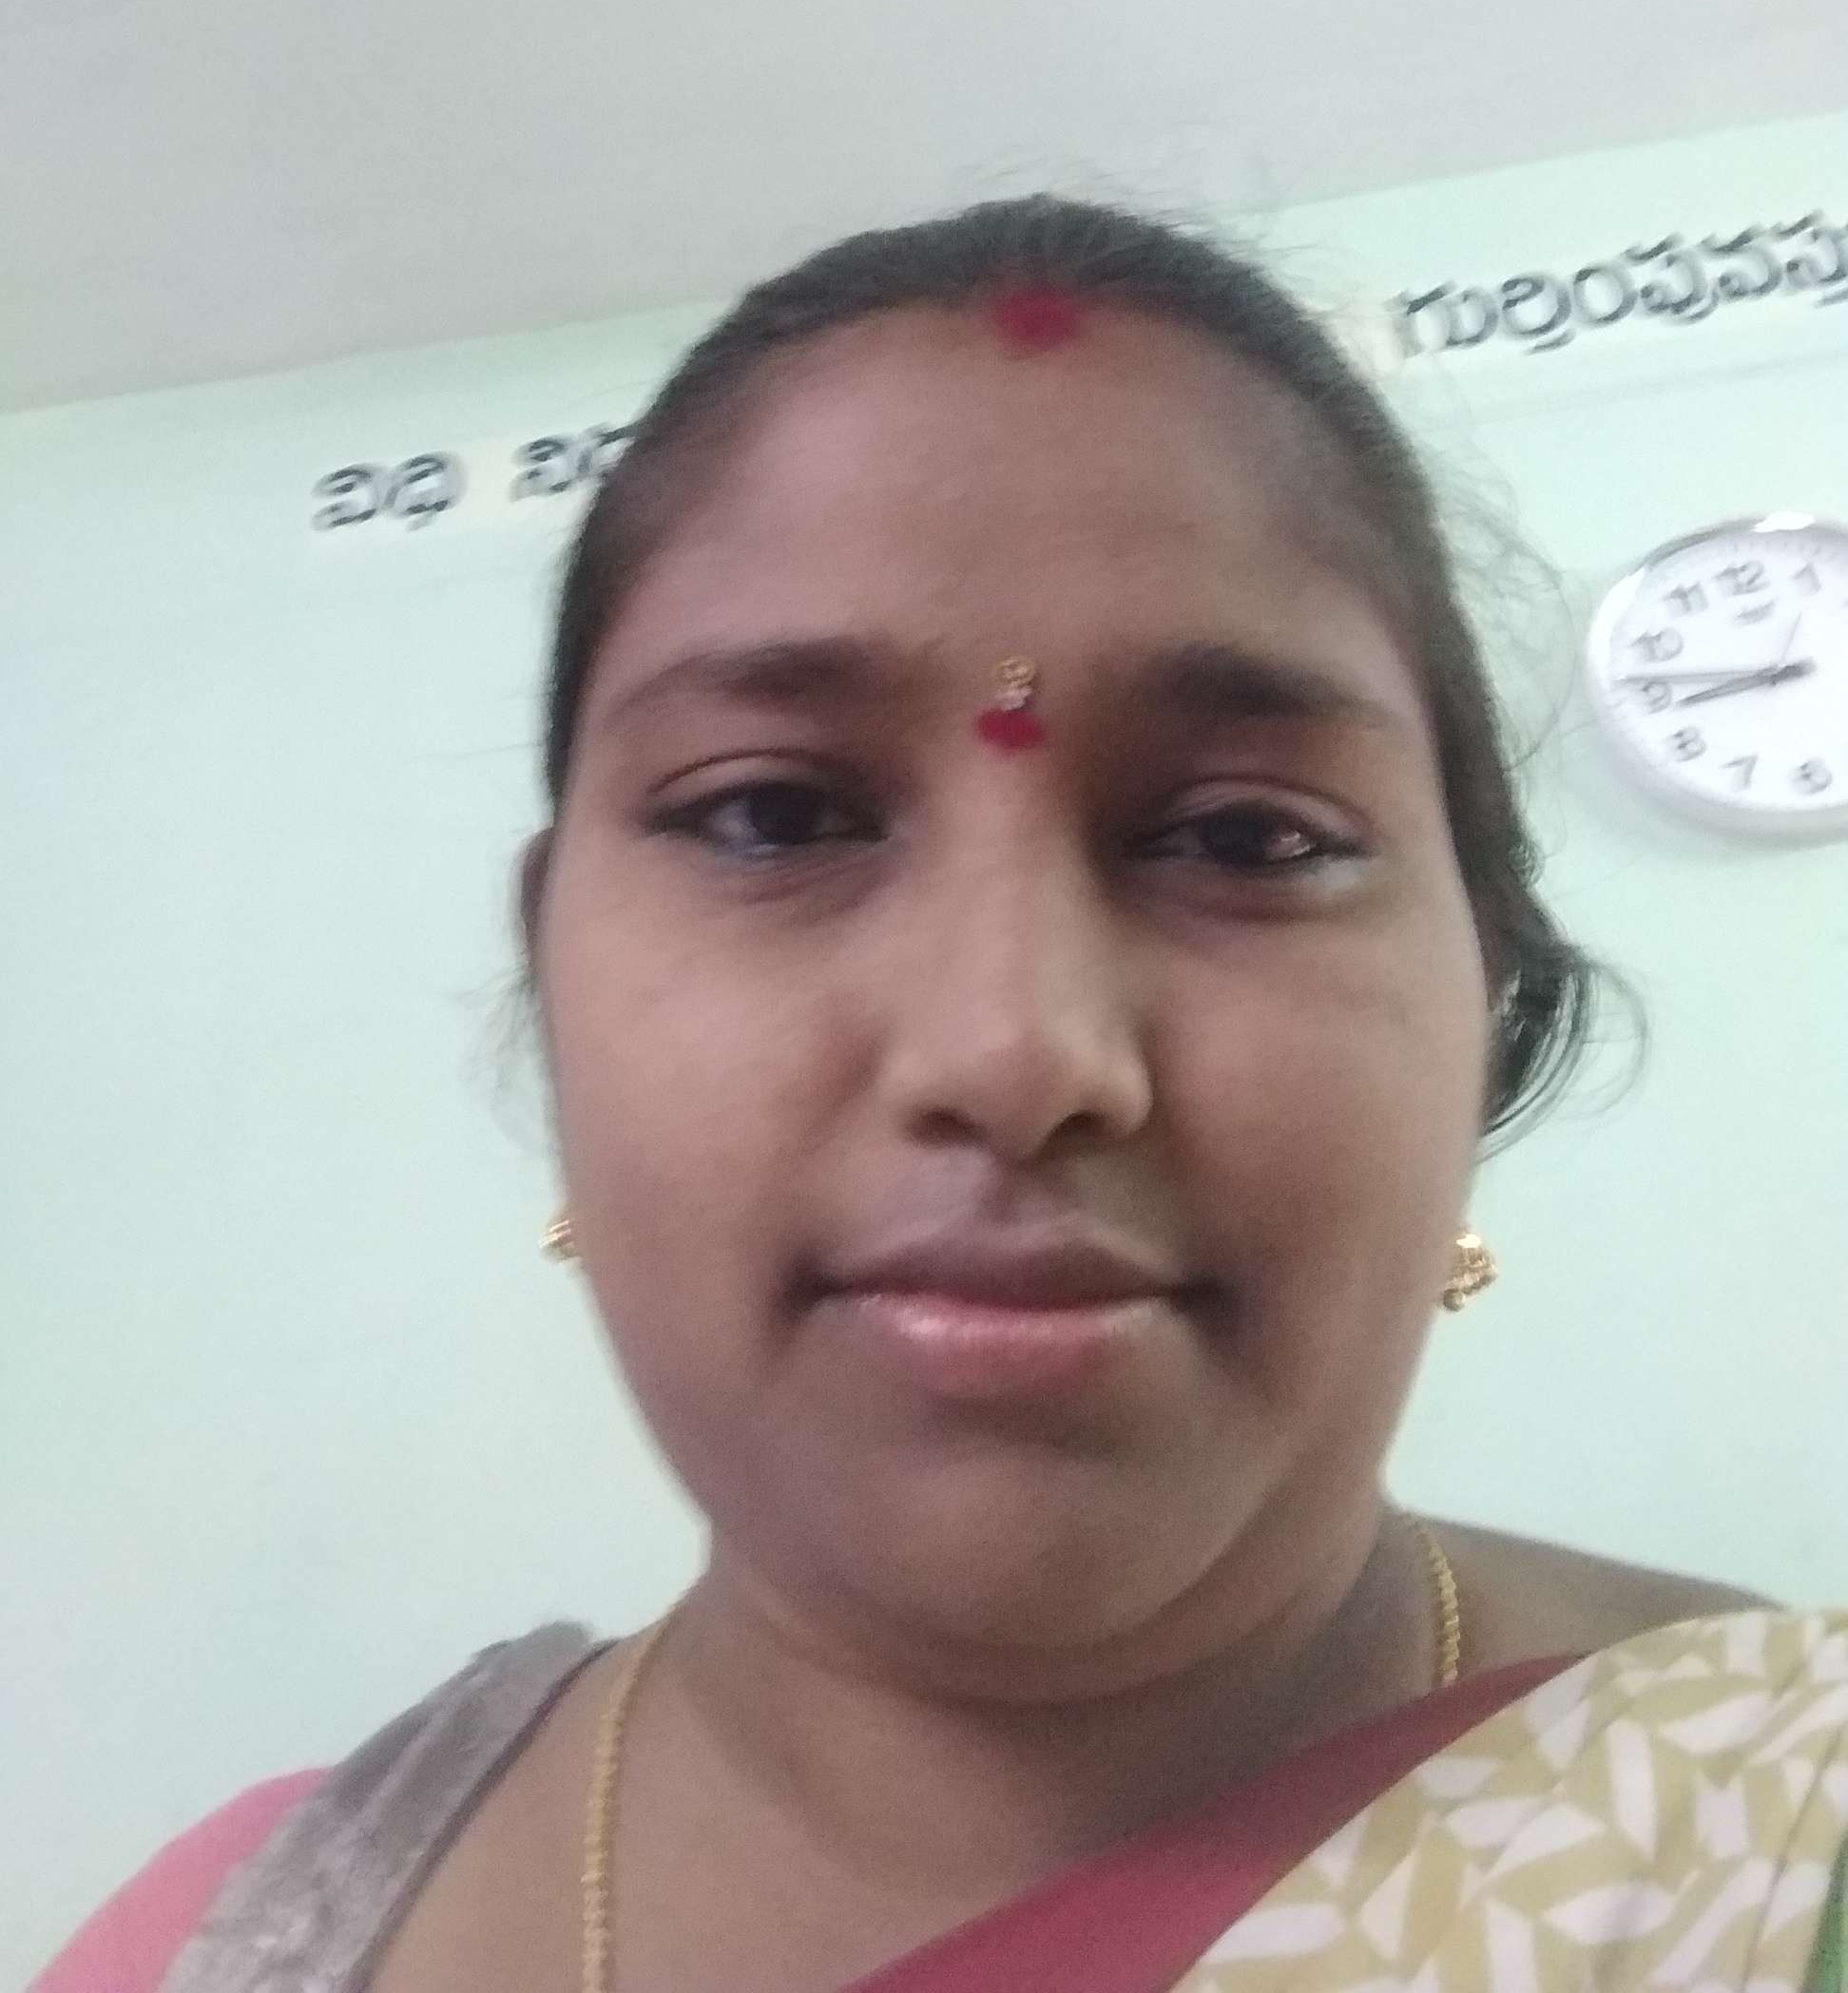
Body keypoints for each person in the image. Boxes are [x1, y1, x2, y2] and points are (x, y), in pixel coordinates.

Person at [37, 198, 1845, 1993]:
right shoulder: (225, 1946)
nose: (1015, 1053)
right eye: (772, 815)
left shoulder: (1775, 1835)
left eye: (1246, 837)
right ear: (550, 984)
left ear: (1487, 996)